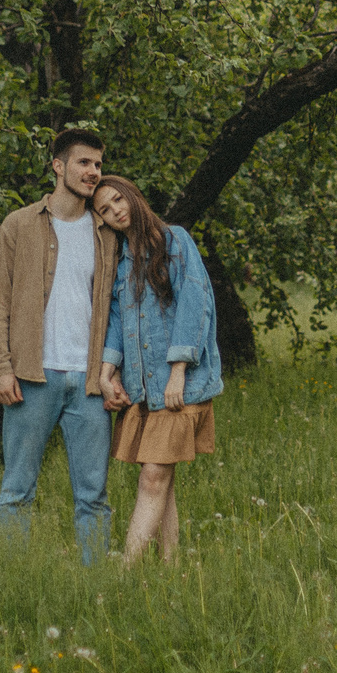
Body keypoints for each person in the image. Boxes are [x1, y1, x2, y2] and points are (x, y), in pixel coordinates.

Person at [0, 127, 119, 561]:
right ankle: (10, 583)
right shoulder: (19, 225)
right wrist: (0, 367)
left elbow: (118, 307)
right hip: (31, 378)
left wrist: (111, 371)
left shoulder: (108, 232)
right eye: (83, 162)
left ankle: (95, 587)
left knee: (93, 496)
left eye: (98, 164)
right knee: (17, 490)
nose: (93, 172)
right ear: (57, 166)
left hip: (90, 383)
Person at [91, 174, 222, 564]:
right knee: (161, 480)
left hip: (179, 385)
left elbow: (194, 304)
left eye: (118, 200)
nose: (116, 211)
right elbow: (117, 320)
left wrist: (178, 370)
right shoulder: (123, 261)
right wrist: (106, 371)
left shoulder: (175, 240)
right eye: (105, 210)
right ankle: (171, 564)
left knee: (152, 477)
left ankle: (125, 572)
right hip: (144, 388)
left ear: (132, 196)